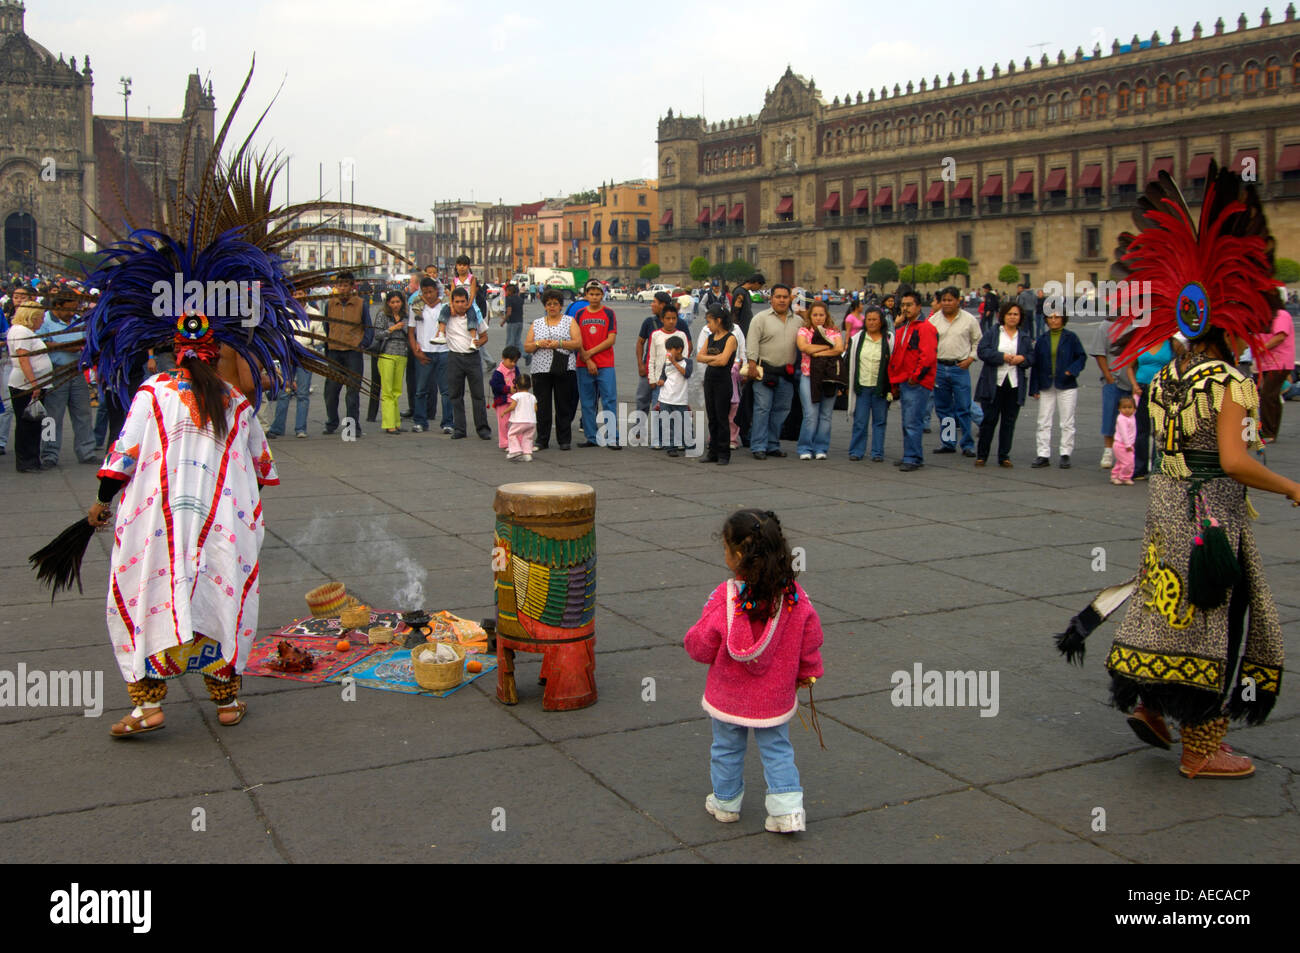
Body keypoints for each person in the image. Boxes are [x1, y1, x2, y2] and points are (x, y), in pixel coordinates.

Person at [1059, 162, 1295, 780]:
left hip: (1165, 512)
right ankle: (1202, 746)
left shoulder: (1164, 377)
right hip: (1212, 517)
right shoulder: (1231, 383)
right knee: (1219, 619)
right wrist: (1292, 486)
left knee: (1166, 605)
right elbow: (1237, 461)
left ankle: (1147, 703)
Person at [684, 509, 824, 833]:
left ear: (735, 556)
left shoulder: (726, 597)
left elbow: (701, 646)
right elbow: (810, 640)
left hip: (728, 694)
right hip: (774, 696)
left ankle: (726, 803)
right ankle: (787, 811)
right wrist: (809, 672)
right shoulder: (795, 598)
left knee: (726, 747)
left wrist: (693, 641)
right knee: (777, 749)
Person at [974, 302, 1033, 467]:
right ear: (1003, 316)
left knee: (1009, 422)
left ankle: (1004, 455)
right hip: (994, 382)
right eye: (1010, 314)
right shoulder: (993, 333)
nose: (1013, 317)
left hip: (1014, 383)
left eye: (1016, 314)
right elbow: (982, 351)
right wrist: (1002, 357)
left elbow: (1032, 356)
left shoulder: (1024, 336)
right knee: (989, 420)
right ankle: (982, 455)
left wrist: (1023, 359)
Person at [746, 285, 800, 460]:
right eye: (778, 297)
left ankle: (772, 444)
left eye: (785, 297)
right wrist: (752, 365)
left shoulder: (798, 321)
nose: (782, 300)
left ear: (790, 299)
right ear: (771, 299)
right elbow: (752, 343)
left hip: (786, 374)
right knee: (762, 409)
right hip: (764, 372)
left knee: (781, 410)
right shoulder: (760, 319)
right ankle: (758, 446)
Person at [524, 289, 581, 451]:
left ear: (561, 306)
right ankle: (542, 439)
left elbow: (577, 342)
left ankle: (564, 439)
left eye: (555, 304)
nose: (552, 307)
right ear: (545, 306)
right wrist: (537, 344)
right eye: (549, 304)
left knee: (563, 404)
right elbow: (527, 347)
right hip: (540, 369)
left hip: (564, 367)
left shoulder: (569, 321)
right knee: (542, 406)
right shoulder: (537, 323)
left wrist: (560, 344)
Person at [1029, 310, 1087, 469]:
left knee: (1067, 420)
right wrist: (1034, 387)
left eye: (1057, 317)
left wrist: (1072, 370)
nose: (1054, 320)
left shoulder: (1071, 337)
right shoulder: (1042, 339)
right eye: (1051, 318)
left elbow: (1081, 357)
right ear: (1046, 320)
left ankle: (1065, 453)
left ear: (1063, 319)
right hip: (1046, 384)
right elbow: (1036, 364)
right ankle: (1043, 453)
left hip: (1066, 383)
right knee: (1043, 420)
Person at [887, 290, 938, 471]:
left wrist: (915, 377)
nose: (905, 308)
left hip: (916, 382)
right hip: (906, 381)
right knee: (908, 420)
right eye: (903, 305)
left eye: (909, 305)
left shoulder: (925, 328)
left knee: (912, 421)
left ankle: (913, 457)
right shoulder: (906, 328)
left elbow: (927, 357)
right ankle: (912, 453)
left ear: (918, 306)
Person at [928, 286, 981, 458]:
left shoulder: (969, 320)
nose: (947, 303)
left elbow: (978, 341)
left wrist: (971, 358)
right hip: (940, 368)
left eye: (950, 300)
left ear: (958, 301)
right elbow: (927, 344)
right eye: (944, 300)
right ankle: (948, 442)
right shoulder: (934, 321)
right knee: (944, 409)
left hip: (960, 368)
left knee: (964, 407)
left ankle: (967, 444)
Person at [268, 289, 325, 439]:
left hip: (306, 355)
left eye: (300, 293)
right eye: (295, 294)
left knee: (303, 394)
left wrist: (314, 343)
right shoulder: (284, 312)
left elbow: (320, 336)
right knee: (284, 392)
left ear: (306, 294)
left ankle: (300, 428)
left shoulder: (314, 313)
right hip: (288, 355)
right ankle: (278, 427)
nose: (298, 297)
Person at [322, 271, 370, 437]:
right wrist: (329, 343)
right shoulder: (329, 304)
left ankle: (352, 427)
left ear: (352, 286)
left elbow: (367, 327)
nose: (342, 288)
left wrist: (362, 344)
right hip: (335, 352)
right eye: (339, 285)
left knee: (352, 393)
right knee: (331, 392)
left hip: (353, 353)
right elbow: (326, 326)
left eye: (345, 285)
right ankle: (332, 421)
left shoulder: (361, 304)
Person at [795, 300, 844, 460]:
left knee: (826, 415)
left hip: (829, 377)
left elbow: (839, 349)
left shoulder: (833, 332)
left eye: (821, 315)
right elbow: (804, 347)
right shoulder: (804, 331)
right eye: (815, 315)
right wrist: (827, 347)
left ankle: (821, 447)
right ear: (810, 316)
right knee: (810, 413)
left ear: (826, 316)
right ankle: (805, 447)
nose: (818, 318)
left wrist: (816, 352)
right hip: (808, 376)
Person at [6, 303, 53, 472]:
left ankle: (32, 459)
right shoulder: (21, 332)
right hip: (25, 384)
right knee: (27, 424)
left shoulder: (23, 331)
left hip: (30, 383)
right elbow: (23, 359)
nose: (41, 321)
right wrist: (35, 383)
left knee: (32, 423)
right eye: (40, 318)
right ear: (32, 317)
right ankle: (26, 461)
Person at [574, 279, 619, 449]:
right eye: (591, 294)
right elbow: (576, 339)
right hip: (583, 363)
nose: (594, 297)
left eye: (597, 294)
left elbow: (611, 339)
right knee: (587, 401)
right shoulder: (579, 314)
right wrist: (587, 359)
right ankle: (591, 436)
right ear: (586, 295)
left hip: (605, 362)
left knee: (609, 400)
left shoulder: (609, 313)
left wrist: (590, 354)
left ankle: (612, 436)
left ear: (602, 295)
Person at [1090, 312, 1139, 469]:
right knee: (1110, 416)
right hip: (1114, 380)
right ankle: (1108, 451)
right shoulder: (1106, 325)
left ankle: (1129, 451)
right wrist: (1108, 376)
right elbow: (1099, 353)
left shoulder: (1139, 324)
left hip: (1135, 381)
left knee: (1134, 421)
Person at [442, 287, 492, 440]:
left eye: (463, 301)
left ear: (467, 301)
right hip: (454, 357)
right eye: (456, 301)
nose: (460, 305)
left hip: (472, 357)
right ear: (452, 302)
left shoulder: (474, 316)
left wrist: (479, 342)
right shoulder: (447, 317)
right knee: (456, 395)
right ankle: (459, 428)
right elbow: (440, 332)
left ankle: (482, 428)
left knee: (478, 395)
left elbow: (484, 337)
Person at [846, 306, 892, 462]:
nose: (872, 323)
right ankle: (857, 451)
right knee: (860, 421)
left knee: (880, 421)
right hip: (862, 386)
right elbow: (849, 361)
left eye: (875, 320)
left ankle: (877, 452)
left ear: (881, 322)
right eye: (869, 320)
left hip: (880, 387)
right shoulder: (858, 338)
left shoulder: (889, 339)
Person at [407, 277, 451, 433]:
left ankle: (448, 423)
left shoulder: (445, 305)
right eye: (425, 292)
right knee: (420, 389)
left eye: (431, 292)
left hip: (444, 351)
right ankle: (420, 421)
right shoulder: (416, 306)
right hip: (424, 351)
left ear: (436, 291)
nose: (428, 295)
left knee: (445, 390)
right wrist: (415, 350)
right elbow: (411, 331)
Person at [696, 304, 737, 465]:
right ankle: (712, 451)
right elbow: (699, 357)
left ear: (718, 321)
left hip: (723, 381)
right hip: (710, 379)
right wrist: (714, 359)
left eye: (710, 322)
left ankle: (723, 453)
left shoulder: (730, 338)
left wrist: (711, 359)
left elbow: (724, 360)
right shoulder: (710, 338)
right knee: (712, 417)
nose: (708, 325)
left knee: (722, 417)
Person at [1132, 339, 1178, 479]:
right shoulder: (1140, 342)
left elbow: (1178, 365)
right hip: (1142, 388)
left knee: (1159, 430)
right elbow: (1129, 367)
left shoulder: (1171, 343)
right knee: (1141, 430)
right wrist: (1134, 385)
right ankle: (1140, 468)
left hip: (1162, 389)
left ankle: (1157, 467)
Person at [1256, 303, 1294, 442]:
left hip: (1279, 360)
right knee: (1272, 396)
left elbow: (1280, 336)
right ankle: (1270, 430)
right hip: (1268, 363)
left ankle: (1269, 432)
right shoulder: (1266, 317)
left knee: (1268, 395)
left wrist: (1261, 349)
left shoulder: (1281, 315)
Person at [373, 290, 409, 434]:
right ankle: (389, 424)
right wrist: (392, 328)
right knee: (387, 390)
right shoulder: (382, 315)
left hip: (402, 353)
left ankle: (396, 422)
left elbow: (411, 332)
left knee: (397, 390)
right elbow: (377, 335)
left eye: (398, 302)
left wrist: (404, 327)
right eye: (392, 302)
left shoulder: (406, 316)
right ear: (388, 303)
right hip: (386, 353)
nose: (395, 305)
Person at [656, 335, 691, 456]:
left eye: (671, 350)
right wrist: (660, 380)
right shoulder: (667, 363)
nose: (669, 353)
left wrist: (674, 362)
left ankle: (687, 442)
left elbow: (686, 374)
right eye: (668, 350)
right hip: (666, 397)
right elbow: (663, 375)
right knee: (667, 423)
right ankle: (671, 447)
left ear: (679, 349)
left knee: (683, 422)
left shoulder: (687, 362)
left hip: (680, 399)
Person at [490, 345, 522, 449]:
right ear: (503, 358)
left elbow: (519, 379)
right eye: (511, 361)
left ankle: (518, 442)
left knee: (517, 422)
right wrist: (508, 389)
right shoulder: (498, 372)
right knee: (503, 423)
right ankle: (504, 443)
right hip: (502, 401)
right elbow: (494, 385)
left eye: (515, 362)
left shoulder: (515, 369)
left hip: (514, 400)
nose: (513, 364)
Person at [504, 373, 536, 462]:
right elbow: (535, 408)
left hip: (519, 421)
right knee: (528, 437)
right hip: (531, 421)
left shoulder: (516, 396)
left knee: (512, 434)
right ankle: (527, 454)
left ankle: (515, 450)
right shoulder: (532, 397)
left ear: (516, 385)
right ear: (530, 385)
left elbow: (512, 407)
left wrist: (504, 412)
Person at [1111, 394, 1138, 485]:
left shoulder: (1131, 416)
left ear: (1134, 409)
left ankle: (1114, 476)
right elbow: (1124, 433)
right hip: (1122, 444)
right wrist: (1128, 445)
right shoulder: (1121, 419)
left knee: (1120, 462)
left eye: (1130, 407)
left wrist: (1136, 395)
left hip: (1127, 444)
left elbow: (1135, 402)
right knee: (1129, 462)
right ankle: (1124, 477)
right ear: (1119, 409)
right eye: (1124, 407)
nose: (1127, 410)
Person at [500, 282, 526, 356]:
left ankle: (508, 357)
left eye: (506, 291)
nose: (506, 292)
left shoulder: (509, 299)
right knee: (517, 341)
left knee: (510, 342)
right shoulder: (520, 299)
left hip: (512, 322)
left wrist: (503, 321)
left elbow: (509, 313)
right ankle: (526, 355)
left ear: (510, 291)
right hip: (520, 321)